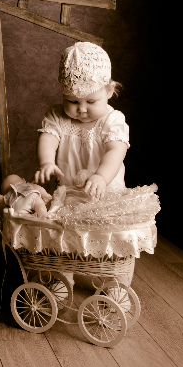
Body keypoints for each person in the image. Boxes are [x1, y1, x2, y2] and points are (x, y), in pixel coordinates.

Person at [34, 41, 133, 290]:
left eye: (91, 101)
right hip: (70, 193)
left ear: (109, 91)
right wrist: (47, 161)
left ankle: (115, 284)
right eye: (72, 101)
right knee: (62, 236)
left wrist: (101, 176)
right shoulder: (57, 116)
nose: (82, 109)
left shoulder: (112, 120)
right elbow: (48, 138)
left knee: (112, 239)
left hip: (104, 193)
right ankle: (61, 280)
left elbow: (116, 150)